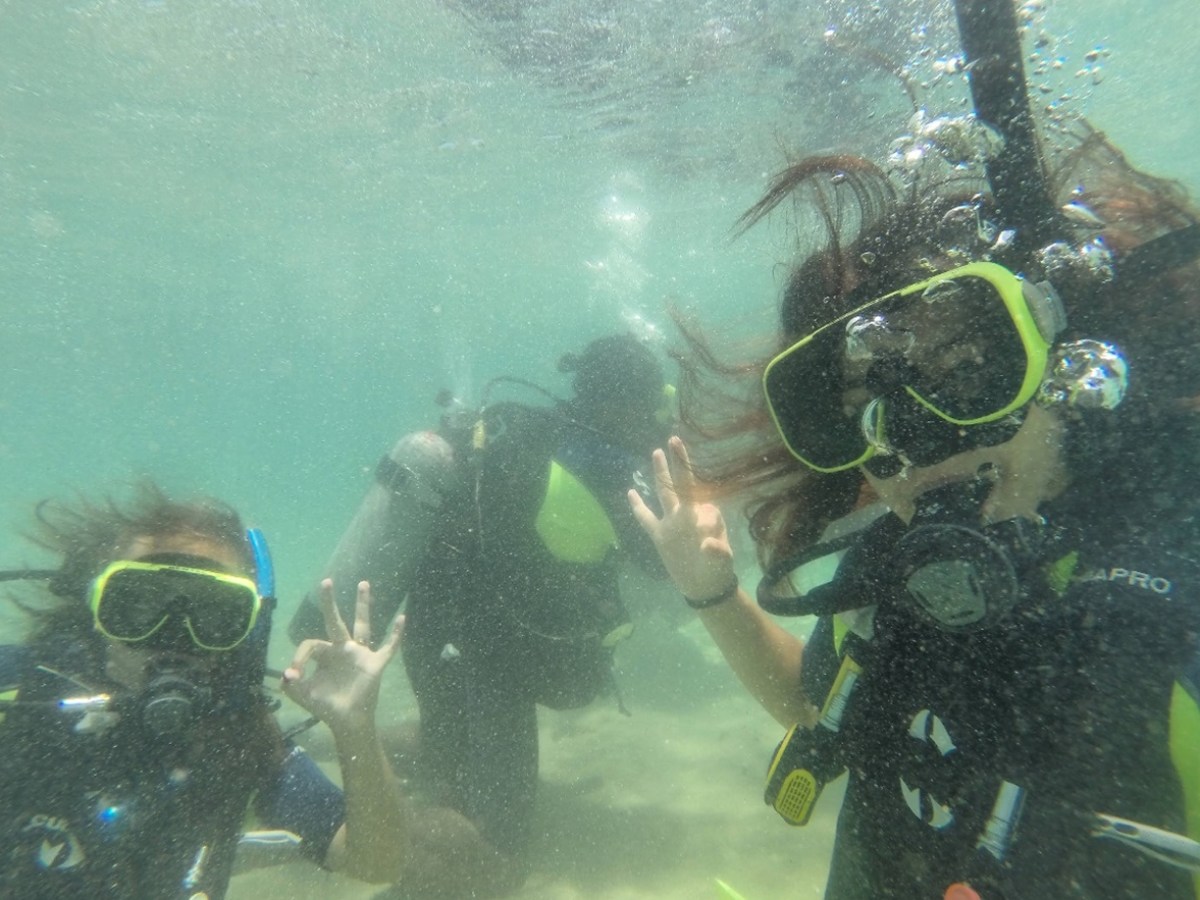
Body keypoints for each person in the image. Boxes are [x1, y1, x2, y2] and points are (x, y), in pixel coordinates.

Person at [628, 4, 1200, 898]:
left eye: (970, 375)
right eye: (868, 411)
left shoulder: (1177, 585)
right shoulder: (900, 579)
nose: (918, 450)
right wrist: (714, 594)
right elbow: (818, 701)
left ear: (1057, 364)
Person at [287, 332, 672, 895]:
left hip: (432, 634)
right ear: (625, 403)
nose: (655, 419)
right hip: (495, 658)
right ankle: (377, 850)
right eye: (651, 405)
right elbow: (662, 561)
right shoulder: (606, 460)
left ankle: (308, 750)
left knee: (448, 745)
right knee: (497, 857)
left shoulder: (525, 434)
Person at [0, 481, 408, 898]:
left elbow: (375, 861)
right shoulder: (23, 691)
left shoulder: (239, 739)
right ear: (95, 607)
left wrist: (356, 728)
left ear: (245, 635)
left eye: (213, 614)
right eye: (140, 604)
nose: (173, 637)